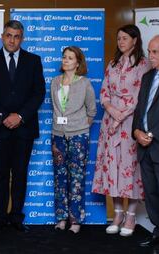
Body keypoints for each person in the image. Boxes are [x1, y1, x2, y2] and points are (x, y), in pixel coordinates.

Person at [0, 20, 45, 233]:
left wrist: (20, 115)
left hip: (24, 127)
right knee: (0, 173)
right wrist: (5, 117)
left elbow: (39, 93)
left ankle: (17, 217)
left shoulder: (33, 61)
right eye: (9, 35)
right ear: (2, 36)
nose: (12, 40)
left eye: (17, 36)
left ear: (22, 38)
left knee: (20, 173)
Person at [92, 24, 150, 237]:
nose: (121, 42)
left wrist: (121, 115)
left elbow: (139, 97)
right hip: (110, 121)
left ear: (135, 40)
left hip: (130, 122)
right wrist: (111, 110)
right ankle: (117, 213)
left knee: (130, 168)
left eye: (125, 38)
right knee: (113, 166)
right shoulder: (113, 63)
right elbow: (104, 91)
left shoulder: (143, 65)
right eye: (118, 38)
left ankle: (131, 215)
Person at [51, 46, 96, 234]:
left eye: (70, 58)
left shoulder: (84, 83)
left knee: (76, 178)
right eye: (64, 57)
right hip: (58, 135)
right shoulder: (54, 82)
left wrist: (79, 126)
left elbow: (92, 110)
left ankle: (75, 220)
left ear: (78, 63)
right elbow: (56, 107)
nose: (65, 60)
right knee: (59, 178)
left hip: (78, 135)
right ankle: (61, 218)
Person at [132, 35, 159, 247]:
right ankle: (157, 233)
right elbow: (139, 110)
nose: (151, 56)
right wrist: (136, 132)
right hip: (144, 148)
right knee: (150, 193)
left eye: (156, 52)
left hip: (156, 144)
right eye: (150, 51)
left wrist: (152, 135)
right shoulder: (148, 77)